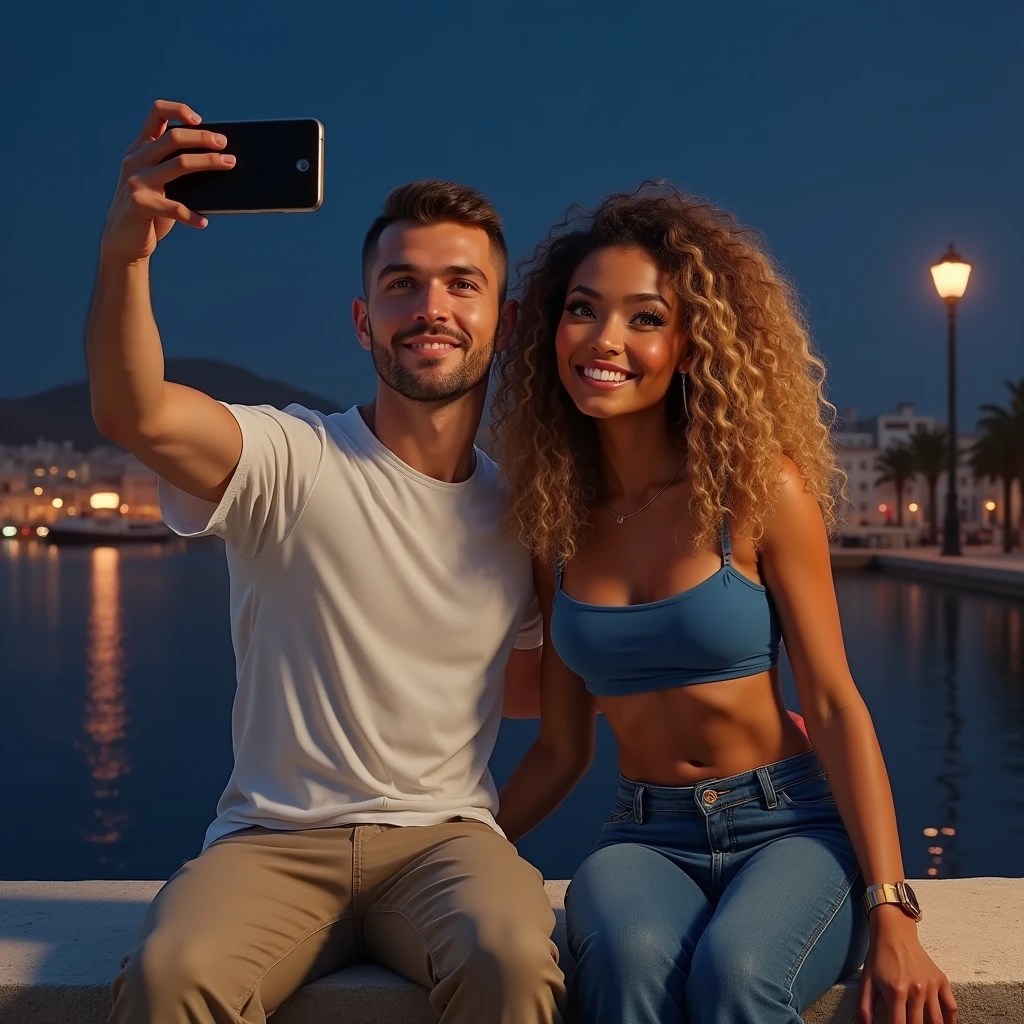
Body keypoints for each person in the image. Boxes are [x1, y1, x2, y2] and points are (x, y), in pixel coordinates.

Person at [87, 98, 564, 1024]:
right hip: (270, 842)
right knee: (169, 977)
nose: (431, 308)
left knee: (510, 962)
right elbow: (134, 412)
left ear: (502, 324)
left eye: (461, 285)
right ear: (362, 318)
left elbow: (531, 694)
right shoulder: (290, 459)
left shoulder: (522, 514)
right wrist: (126, 255)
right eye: (402, 284)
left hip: (445, 845)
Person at [492, 184, 957, 1024]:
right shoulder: (552, 526)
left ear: (690, 342)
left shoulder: (755, 494)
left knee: (737, 974)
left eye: (644, 317)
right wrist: (453, 852)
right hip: (643, 834)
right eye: (583, 310)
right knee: (626, 967)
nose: (604, 340)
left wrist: (893, 906)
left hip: (789, 825)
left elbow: (834, 702)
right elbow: (561, 749)